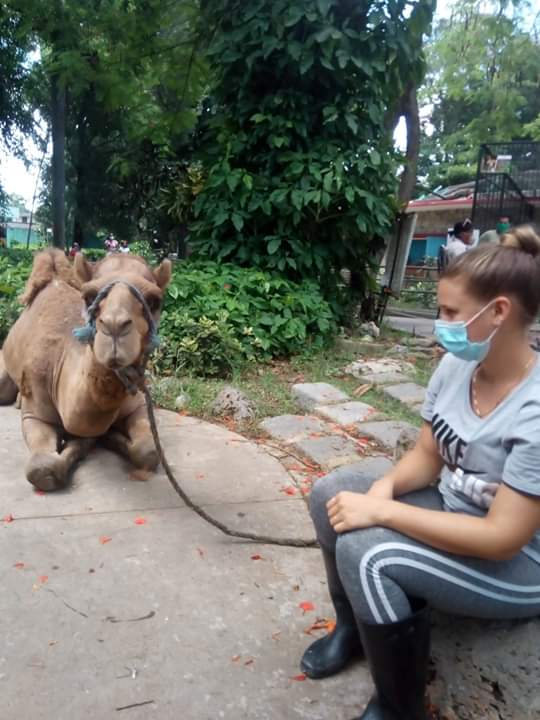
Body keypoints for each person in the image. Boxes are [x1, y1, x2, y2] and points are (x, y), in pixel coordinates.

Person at [302, 224, 540, 719]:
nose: (441, 323)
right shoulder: (458, 366)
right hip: (455, 509)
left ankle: (398, 706)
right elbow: (429, 454)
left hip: (519, 566)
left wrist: (384, 513)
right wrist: (385, 487)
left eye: (452, 312)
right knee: (330, 493)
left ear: (498, 312)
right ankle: (354, 631)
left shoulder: (534, 409)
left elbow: (501, 537)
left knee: (367, 550)